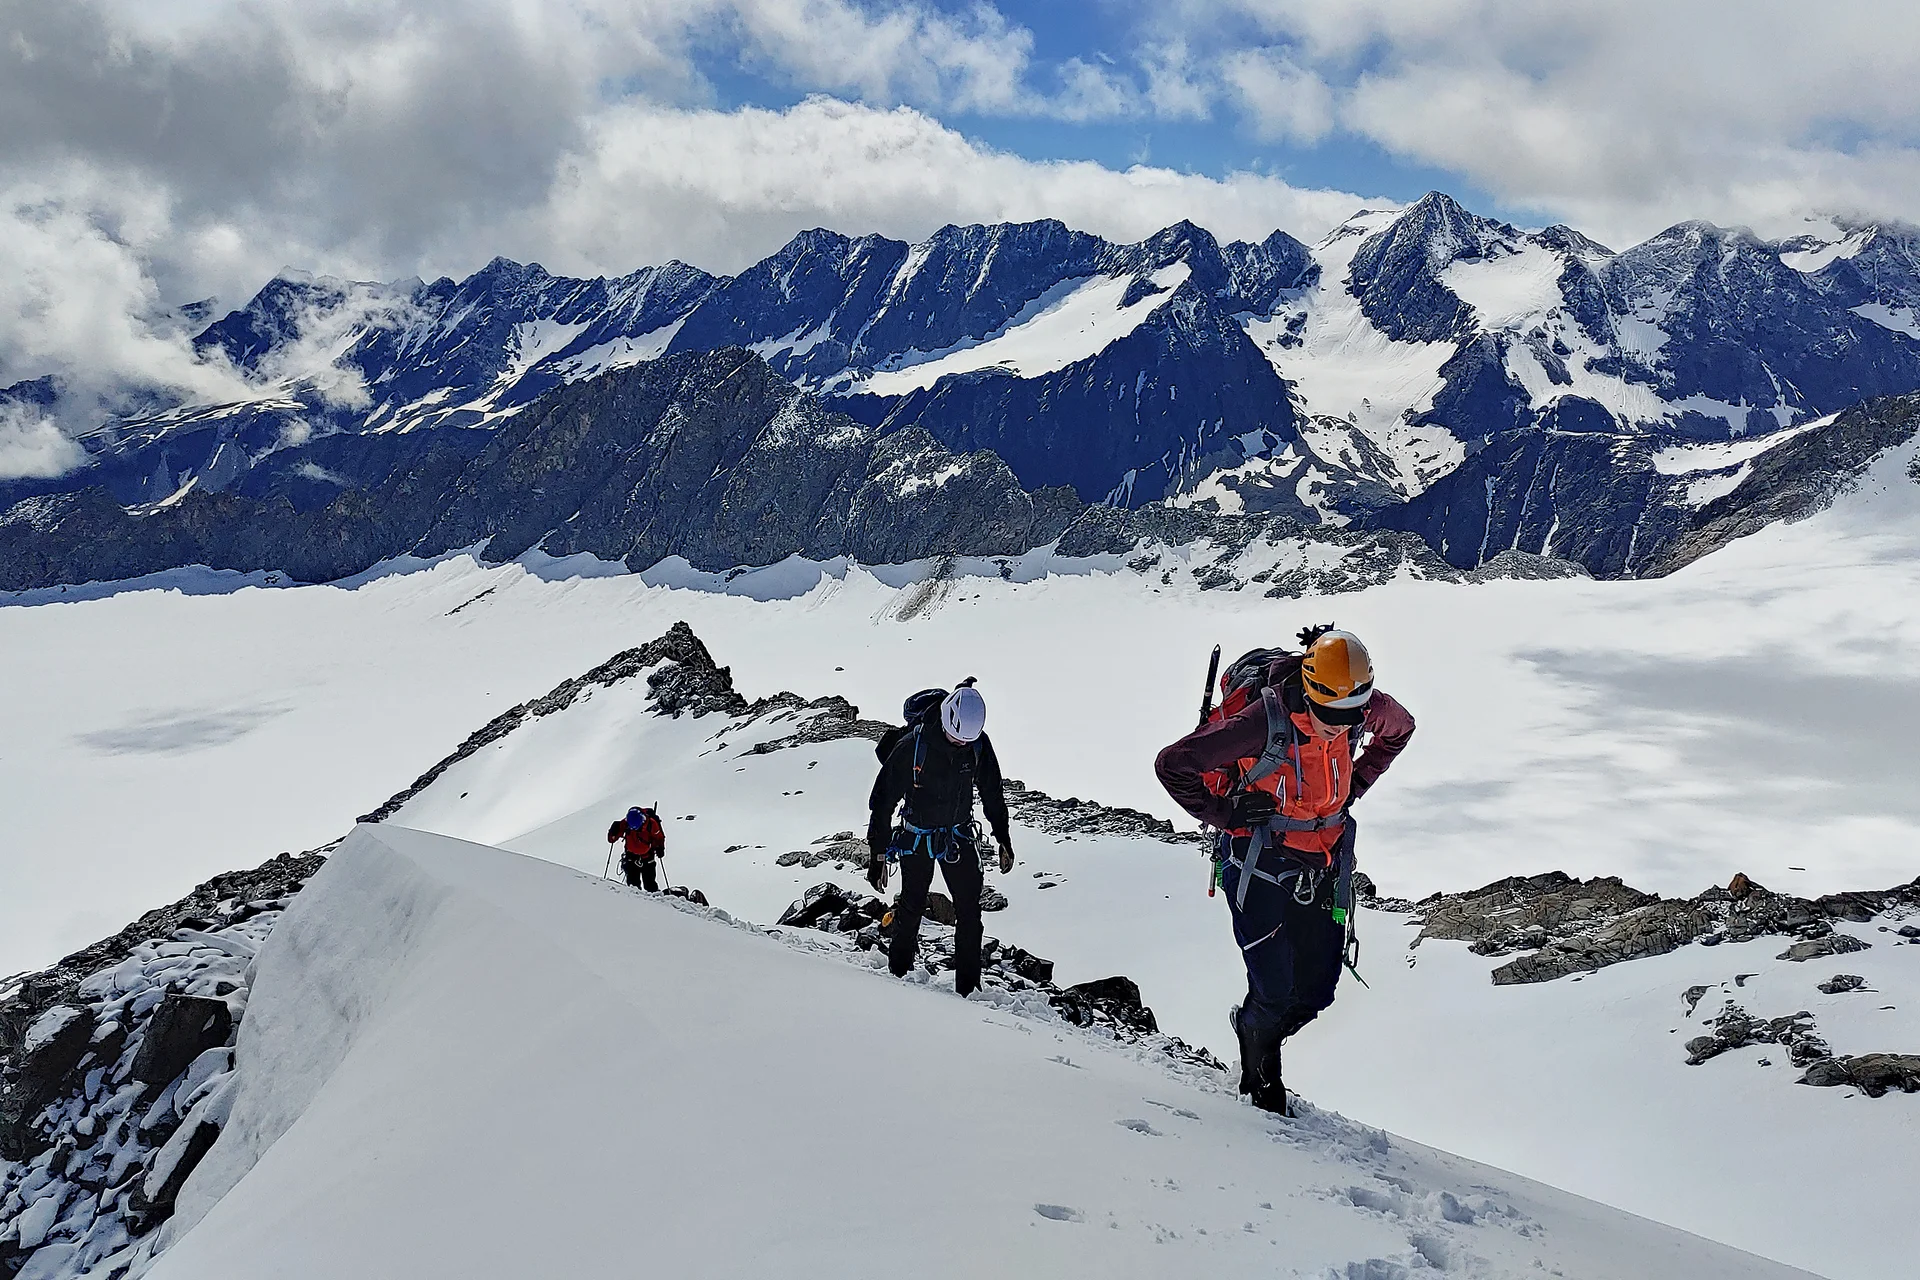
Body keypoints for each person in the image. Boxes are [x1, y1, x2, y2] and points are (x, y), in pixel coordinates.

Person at [1154, 627, 1414, 1116]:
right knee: (1273, 990)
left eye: (1353, 716)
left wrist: (1356, 783)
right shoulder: (1263, 721)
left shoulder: (1356, 704)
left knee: (1317, 990)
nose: (1343, 727)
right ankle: (1260, 1073)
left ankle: (1255, 1028)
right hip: (1259, 865)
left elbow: (1400, 727)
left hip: (1320, 866)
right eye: (1332, 716)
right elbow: (1174, 764)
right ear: (1312, 692)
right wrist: (1225, 815)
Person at [866, 683, 1014, 997]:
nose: (961, 743)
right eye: (957, 736)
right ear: (946, 720)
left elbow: (991, 792)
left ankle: (969, 990)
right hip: (916, 838)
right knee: (912, 903)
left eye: (967, 739)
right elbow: (882, 801)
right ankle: (897, 974)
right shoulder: (913, 746)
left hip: (957, 836)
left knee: (969, 910)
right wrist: (877, 855)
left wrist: (1003, 837)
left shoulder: (977, 745)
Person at [607, 805, 666, 892]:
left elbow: (659, 838)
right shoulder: (626, 823)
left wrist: (660, 848)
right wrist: (613, 831)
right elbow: (612, 839)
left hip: (647, 856)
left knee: (649, 885)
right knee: (633, 885)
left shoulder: (651, 824)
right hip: (632, 856)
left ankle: (652, 901)